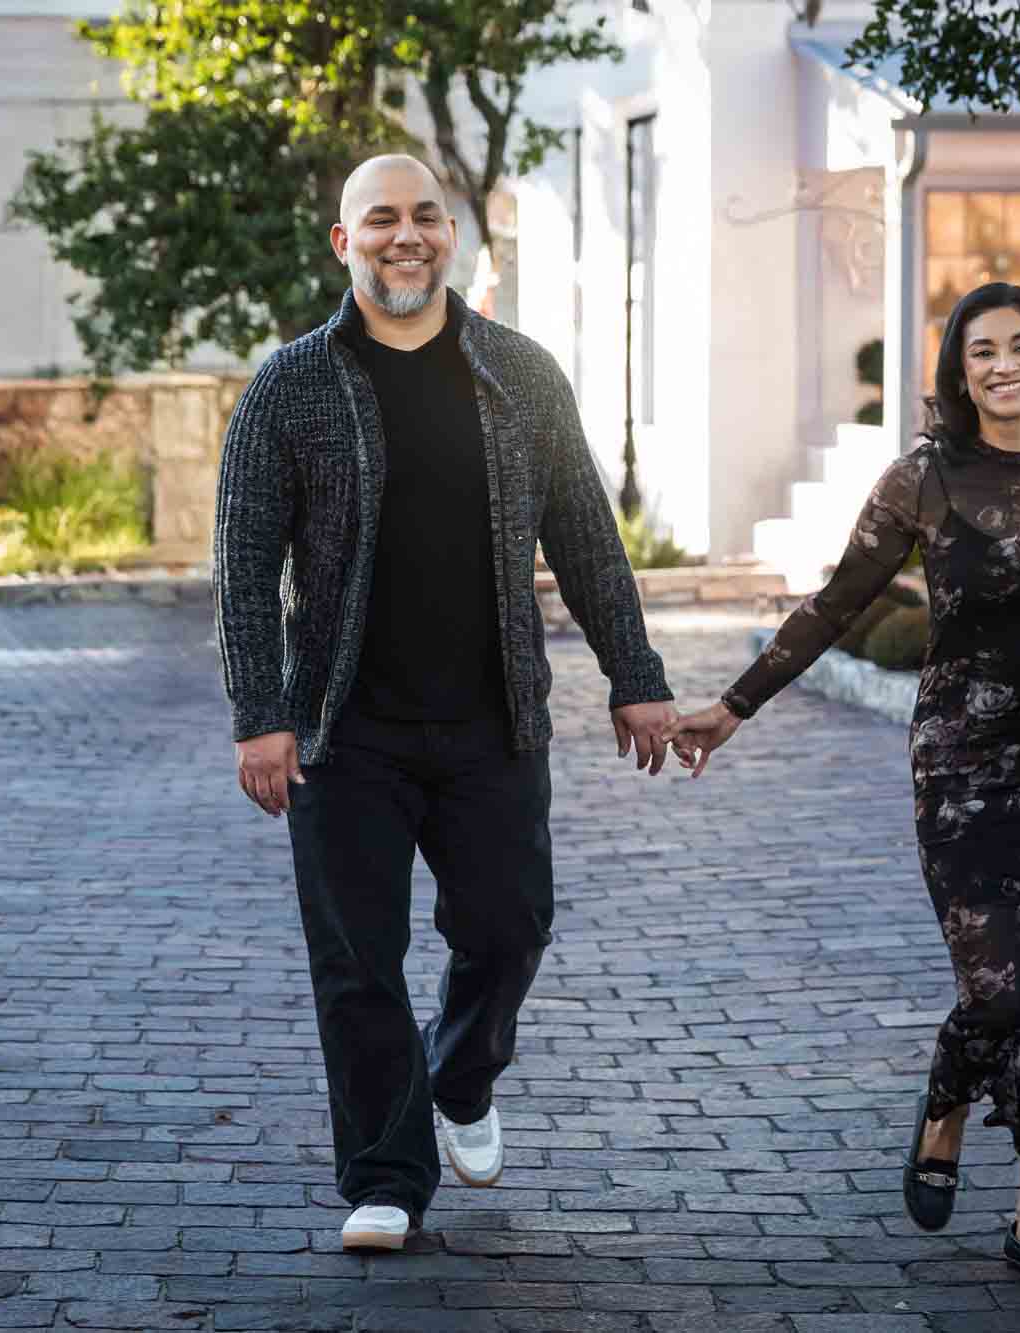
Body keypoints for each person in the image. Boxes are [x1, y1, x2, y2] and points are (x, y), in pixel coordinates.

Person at [665, 283, 1020, 1284]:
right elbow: (835, 604)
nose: (1002, 365)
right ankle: (944, 1104)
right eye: (979, 352)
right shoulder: (923, 478)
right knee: (996, 989)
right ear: (958, 375)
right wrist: (732, 709)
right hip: (961, 763)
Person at [214, 154, 679, 1252]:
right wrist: (258, 711)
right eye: (380, 219)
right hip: (343, 729)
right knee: (356, 961)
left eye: (425, 215)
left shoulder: (520, 373)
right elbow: (241, 561)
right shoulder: (290, 384)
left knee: (510, 925)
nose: (404, 234)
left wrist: (637, 677)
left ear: (453, 237)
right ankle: (384, 1177)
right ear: (343, 243)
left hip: (492, 722)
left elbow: (585, 537)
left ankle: (462, 1078)